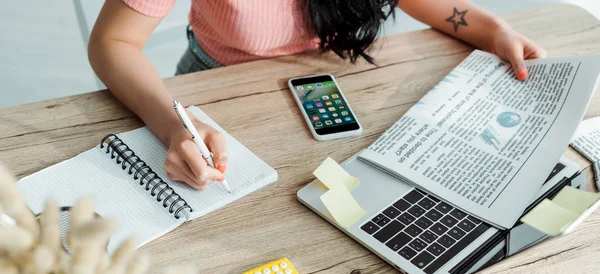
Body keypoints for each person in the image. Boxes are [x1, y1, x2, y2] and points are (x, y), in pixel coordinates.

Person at [88, 0, 546, 190]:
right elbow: (113, 43)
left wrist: (492, 29)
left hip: (331, 85)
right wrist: (174, 126)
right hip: (216, 87)